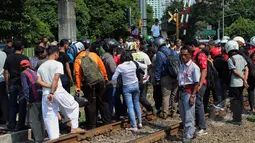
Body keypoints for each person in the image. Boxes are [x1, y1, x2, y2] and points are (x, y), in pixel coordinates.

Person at [37, 46, 85, 140]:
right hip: (57, 91)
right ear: (55, 54)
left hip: (45, 94)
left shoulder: (41, 66)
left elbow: (38, 81)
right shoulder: (58, 64)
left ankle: (53, 138)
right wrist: (52, 91)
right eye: (58, 54)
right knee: (74, 105)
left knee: (50, 116)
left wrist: (49, 88)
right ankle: (74, 127)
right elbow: (56, 79)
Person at [74, 42, 111, 129]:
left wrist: (78, 87)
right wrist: (105, 78)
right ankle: (107, 121)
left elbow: (77, 74)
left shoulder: (77, 59)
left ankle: (91, 125)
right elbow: (102, 67)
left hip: (88, 83)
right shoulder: (93, 55)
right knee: (102, 100)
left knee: (90, 103)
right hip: (100, 81)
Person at [112, 51, 147, 131]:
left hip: (127, 87)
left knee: (130, 106)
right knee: (136, 104)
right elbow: (145, 66)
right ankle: (140, 123)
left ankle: (134, 126)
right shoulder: (133, 63)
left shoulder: (120, 66)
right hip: (135, 85)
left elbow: (114, 78)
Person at [4, 40, 29, 130]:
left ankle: (11, 124)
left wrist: (7, 84)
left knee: (12, 104)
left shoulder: (9, 58)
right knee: (22, 104)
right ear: (22, 48)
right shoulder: (25, 58)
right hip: (22, 82)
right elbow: (27, 72)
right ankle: (20, 124)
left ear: (13, 48)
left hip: (12, 82)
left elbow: (6, 72)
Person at [178, 46, 201, 143]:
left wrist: (192, 96)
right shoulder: (182, 66)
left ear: (190, 55)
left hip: (188, 92)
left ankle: (189, 135)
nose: (183, 57)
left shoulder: (194, 67)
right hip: (181, 92)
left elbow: (196, 83)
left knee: (189, 115)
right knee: (183, 115)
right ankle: (191, 131)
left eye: (185, 55)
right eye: (181, 55)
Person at [20, 60, 44, 142]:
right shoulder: (34, 72)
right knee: (40, 118)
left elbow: (26, 88)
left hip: (33, 98)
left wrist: (27, 100)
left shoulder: (23, 74)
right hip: (41, 96)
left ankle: (39, 139)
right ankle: (42, 137)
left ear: (21, 67)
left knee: (34, 120)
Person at [225, 40, 248, 125]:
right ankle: (239, 117)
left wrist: (242, 77)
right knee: (240, 99)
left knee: (235, 101)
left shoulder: (230, 59)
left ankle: (237, 119)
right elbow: (246, 69)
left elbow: (234, 71)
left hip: (234, 83)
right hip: (242, 83)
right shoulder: (242, 57)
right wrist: (245, 79)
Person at [154, 37, 179, 119]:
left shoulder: (159, 53)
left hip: (165, 77)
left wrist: (157, 78)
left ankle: (165, 113)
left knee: (166, 96)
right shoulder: (173, 52)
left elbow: (158, 67)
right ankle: (174, 112)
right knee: (173, 95)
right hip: (175, 76)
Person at [187, 39, 208, 136]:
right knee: (196, 104)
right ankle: (198, 125)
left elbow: (204, 70)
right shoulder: (194, 55)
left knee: (199, 104)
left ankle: (202, 127)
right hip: (195, 83)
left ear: (192, 45)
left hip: (200, 83)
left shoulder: (200, 54)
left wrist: (200, 84)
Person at [101, 39, 118, 116]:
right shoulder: (110, 58)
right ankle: (110, 116)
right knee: (111, 100)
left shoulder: (102, 56)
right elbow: (113, 70)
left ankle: (106, 115)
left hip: (104, 81)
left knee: (105, 100)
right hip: (111, 82)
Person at [148, 47, 162, 111]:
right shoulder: (156, 56)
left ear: (151, 53)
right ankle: (158, 106)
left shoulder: (155, 58)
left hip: (156, 78)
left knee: (156, 93)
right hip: (156, 77)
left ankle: (158, 107)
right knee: (157, 92)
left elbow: (152, 66)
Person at [0, 51, 8, 124]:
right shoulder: (3, 54)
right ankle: (5, 118)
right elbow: (5, 69)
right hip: (2, 79)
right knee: (3, 100)